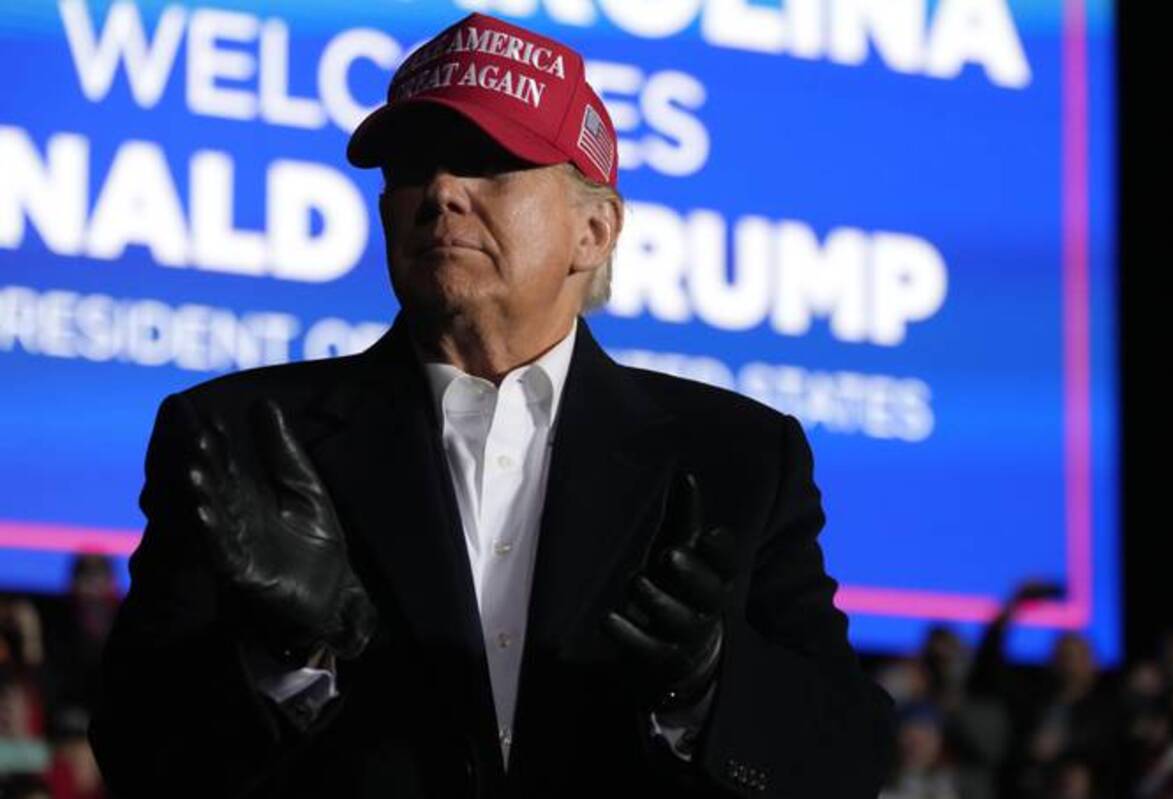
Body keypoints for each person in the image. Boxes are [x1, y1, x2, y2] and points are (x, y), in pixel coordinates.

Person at [88, 12, 896, 798]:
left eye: (487, 162)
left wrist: (705, 682)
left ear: (594, 230)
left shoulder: (738, 455)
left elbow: (847, 760)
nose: (439, 191)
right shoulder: (240, 437)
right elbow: (139, 753)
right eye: (410, 167)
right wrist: (284, 657)